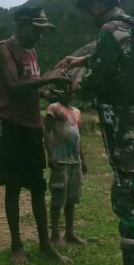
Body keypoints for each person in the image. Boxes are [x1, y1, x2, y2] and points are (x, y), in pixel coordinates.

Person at [58, 0, 134, 265]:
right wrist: (84, 60)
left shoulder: (109, 30)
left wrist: (68, 84)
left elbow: (92, 80)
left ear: (96, 3)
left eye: (88, 8)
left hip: (131, 128)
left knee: (130, 199)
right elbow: (123, 60)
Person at [0, 7, 72, 264]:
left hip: (32, 126)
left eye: (41, 32)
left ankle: (45, 244)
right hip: (12, 125)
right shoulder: (5, 48)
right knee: (13, 185)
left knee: (38, 185)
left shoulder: (32, 52)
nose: (39, 37)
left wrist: (47, 93)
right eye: (36, 30)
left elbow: (30, 86)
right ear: (22, 25)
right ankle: (16, 246)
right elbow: (15, 86)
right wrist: (47, 80)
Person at [44, 89, 87, 248]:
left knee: (71, 199)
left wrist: (83, 159)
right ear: (61, 92)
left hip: (75, 162)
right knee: (58, 198)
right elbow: (46, 131)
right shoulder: (53, 108)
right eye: (67, 90)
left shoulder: (77, 112)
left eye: (73, 91)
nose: (71, 94)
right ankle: (55, 234)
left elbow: (78, 137)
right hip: (60, 160)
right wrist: (50, 154)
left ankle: (69, 232)